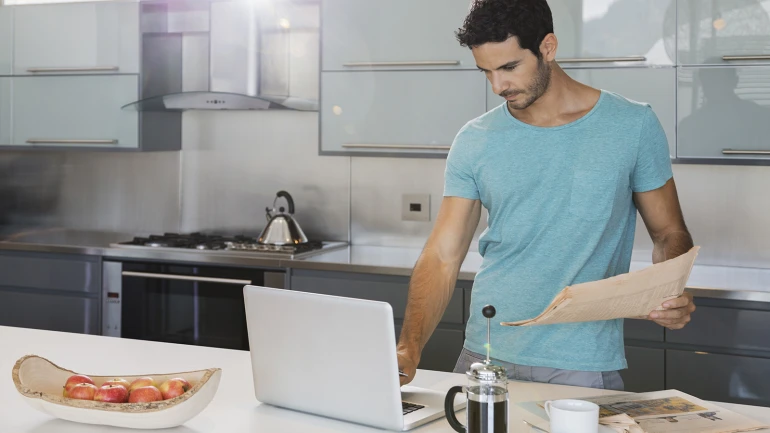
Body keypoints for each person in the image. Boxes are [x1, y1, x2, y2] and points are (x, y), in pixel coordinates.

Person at [396, 0, 695, 391]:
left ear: (548, 47)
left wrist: (669, 288)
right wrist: (408, 348)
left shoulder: (631, 125)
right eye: (485, 71)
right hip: (485, 355)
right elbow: (442, 256)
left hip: (581, 363)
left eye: (509, 67)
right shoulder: (475, 140)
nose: (497, 86)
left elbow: (668, 231)